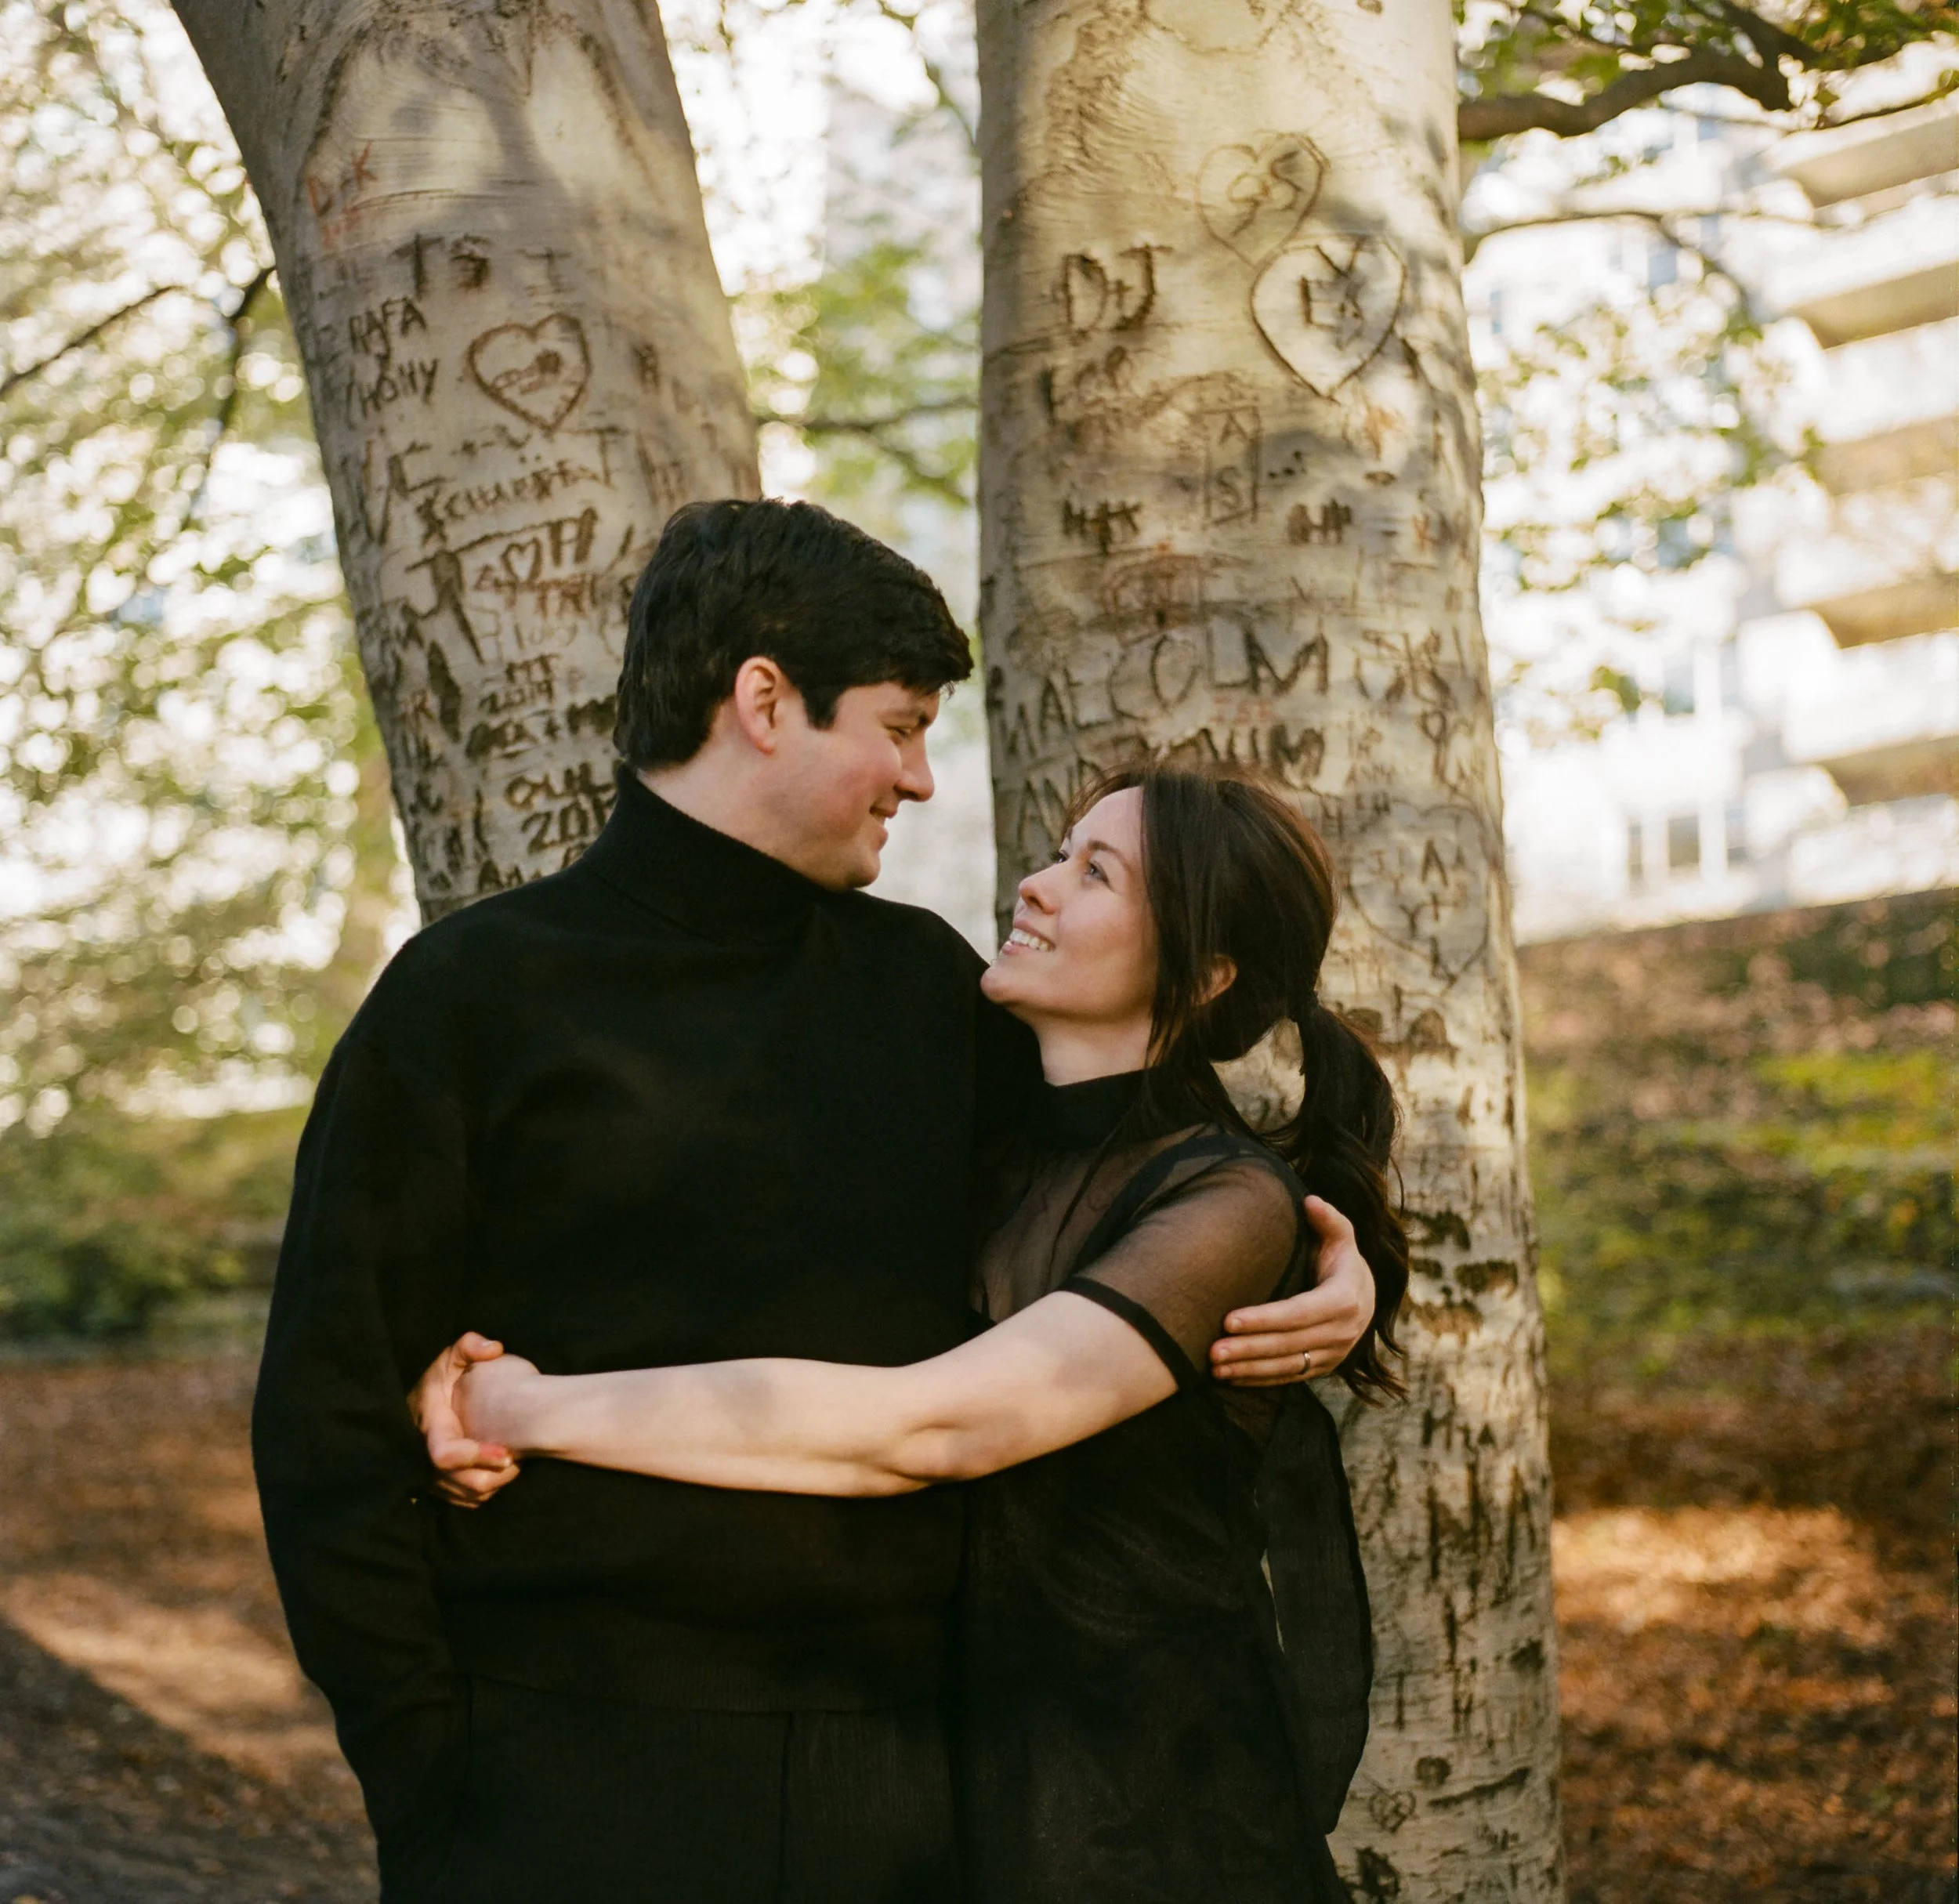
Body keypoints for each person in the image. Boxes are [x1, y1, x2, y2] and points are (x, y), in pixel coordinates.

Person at [254, 498, 1377, 1904]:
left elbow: (1142, 1168)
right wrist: (434, 1795)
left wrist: (1328, 1278)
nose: (917, 779)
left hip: (908, 1792)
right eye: (900, 726)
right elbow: (325, 1424)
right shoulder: (471, 996)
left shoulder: (925, 989)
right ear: (767, 702)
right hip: (561, 1773)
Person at [422, 761, 1410, 1904]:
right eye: (1059, 850)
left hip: (1151, 1814)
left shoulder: (1222, 1202)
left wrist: (522, 1409)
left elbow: (932, 1429)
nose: (1036, 886)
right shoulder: (979, 1136)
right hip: (940, 1798)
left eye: (1097, 873)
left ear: (1203, 971)